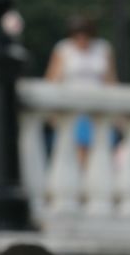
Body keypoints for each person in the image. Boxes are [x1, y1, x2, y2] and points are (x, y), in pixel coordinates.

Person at [45, 14, 116, 162]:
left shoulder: (103, 48)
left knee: (99, 153)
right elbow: (52, 79)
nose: (82, 40)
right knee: (76, 153)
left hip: (98, 106)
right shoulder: (63, 49)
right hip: (72, 108)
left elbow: (110, 80)